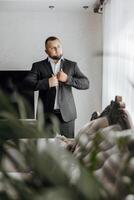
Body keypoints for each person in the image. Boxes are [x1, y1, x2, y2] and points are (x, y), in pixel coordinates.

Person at [25, 36, 89, 138]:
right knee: (45, 149)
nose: (57, 49)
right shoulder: (38, 66)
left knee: (67, 148)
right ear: (46, 51)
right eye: (52, 48)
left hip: (67, 116)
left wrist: (67, 79)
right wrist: (47, 83)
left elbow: (86, 83)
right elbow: (27, 84)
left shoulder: (72, 65)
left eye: (58, 46)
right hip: (46, 117)